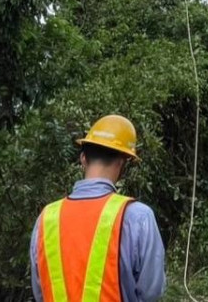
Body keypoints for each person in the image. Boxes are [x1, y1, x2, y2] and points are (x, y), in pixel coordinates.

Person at [30, 115, 166, 302]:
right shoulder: (138, 217)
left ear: (83, 159)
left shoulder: (46, 219)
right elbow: (151, 291)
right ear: (122, 163)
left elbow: (41, 292)